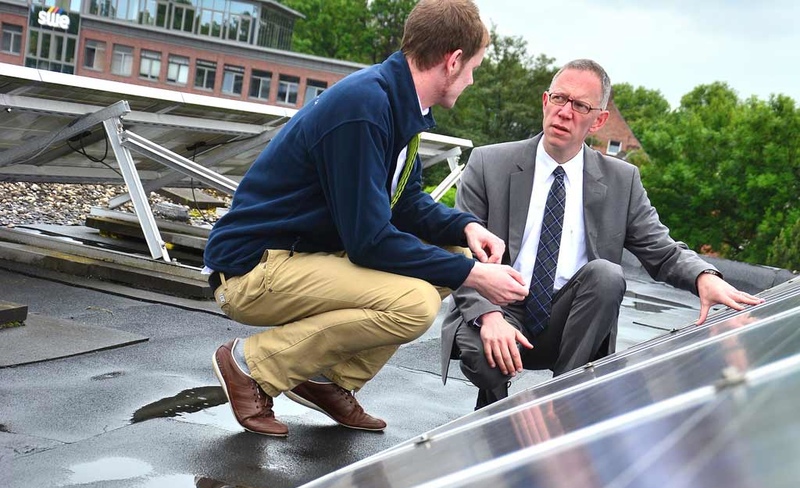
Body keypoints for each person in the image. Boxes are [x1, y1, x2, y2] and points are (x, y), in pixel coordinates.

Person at [202, 0, 529, 436]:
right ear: (453, 61)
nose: (471, 79)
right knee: (415, 304)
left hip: (299, 257)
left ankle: (327, 379)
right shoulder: (364, 107)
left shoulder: (396, 104)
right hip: (252, 269)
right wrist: (475, 276)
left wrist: (465, 227)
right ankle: (252, 365)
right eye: (473, 68)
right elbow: (369, 241)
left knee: (453, 252)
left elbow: (405, 203)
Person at [440, 59, 764, 410]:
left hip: (572, 318)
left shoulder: (621, 180)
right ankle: (492, 408)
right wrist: (489, 315)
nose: (565, 112)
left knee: (607, 274)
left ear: (599, 121)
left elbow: (662, 249)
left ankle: (562, 405)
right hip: (500, 306)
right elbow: (460, 251)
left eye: (580, 106)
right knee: (485, 358)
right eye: (559, 99)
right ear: (545, 101)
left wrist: (704, 277)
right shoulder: (488, 164)